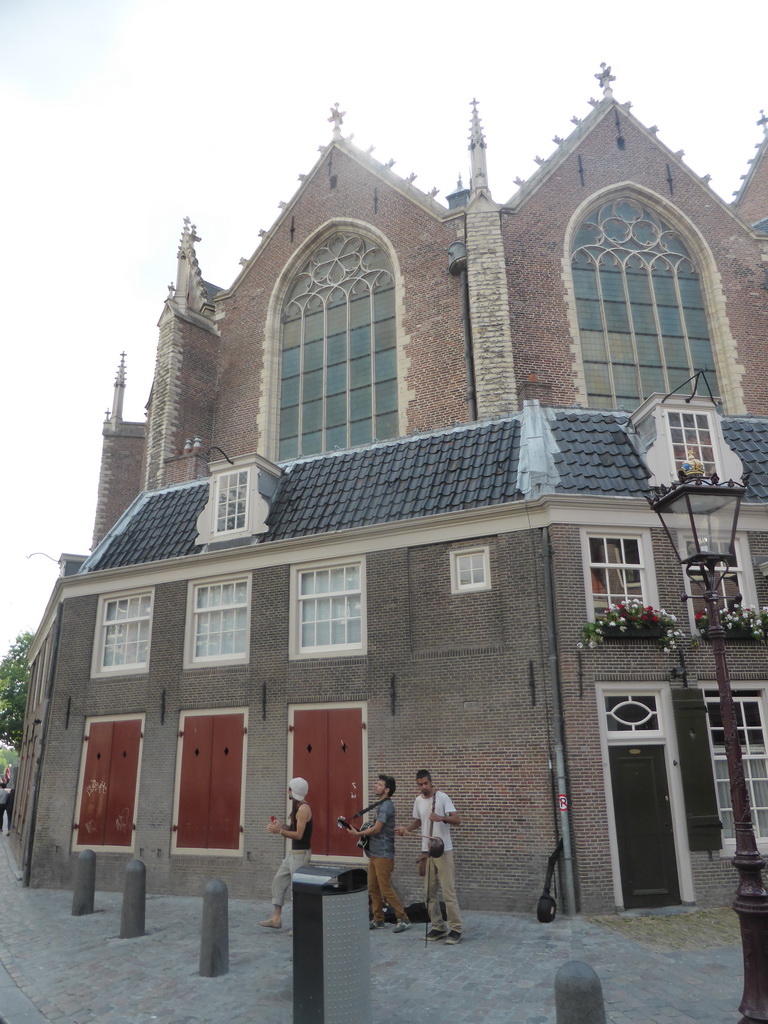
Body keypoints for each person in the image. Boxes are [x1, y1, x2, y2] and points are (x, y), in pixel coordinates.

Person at [396, 769, 463, 944]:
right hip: (427, 851)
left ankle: (456, 929)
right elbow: (419, 821)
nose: (423, 787)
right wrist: (406, 830)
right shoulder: (418, 800)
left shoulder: (442, 798)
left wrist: (441, 818)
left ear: (431, 782)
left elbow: (457, 819)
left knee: (448, 892)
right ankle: (438, 927)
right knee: (429, 893)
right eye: (420, 784)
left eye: (426, 783)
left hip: (443, 850)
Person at [349, 774, 410, 933]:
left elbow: (377, 828)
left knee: (385, 888)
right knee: (372, 887)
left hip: (384, 853)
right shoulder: (381, 804)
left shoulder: (387, 805)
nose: (375, 786)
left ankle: (403, 918)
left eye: (379, 784)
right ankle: (378, 919)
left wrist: (357, 834)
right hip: (374, 853)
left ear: (387, 790)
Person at [260, 777, 312, 929]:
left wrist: (279, 831)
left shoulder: (303, 808)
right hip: (292, 854)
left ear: (294, 791)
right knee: (278, 881)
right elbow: (293, 828)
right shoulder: (296, 806)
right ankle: (276, 918)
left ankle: (300, 925)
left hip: (300, 854)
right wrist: (281, 826)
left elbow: (299, 835)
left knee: (298, 892)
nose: (288, 791)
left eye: (290, 789)